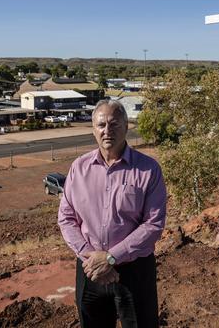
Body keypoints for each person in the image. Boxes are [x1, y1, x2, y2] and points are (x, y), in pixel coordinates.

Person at [58, 99, 167, 328]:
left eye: (114, 124)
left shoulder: (149, 169)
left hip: (134, 273)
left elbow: (153, 224)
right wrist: (92, 258)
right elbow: (66, 218)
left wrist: (110, 257)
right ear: (93, 129)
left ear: (126, 127)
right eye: (101, 125)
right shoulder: (79, 168)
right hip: (90, 271)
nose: (107, 131)